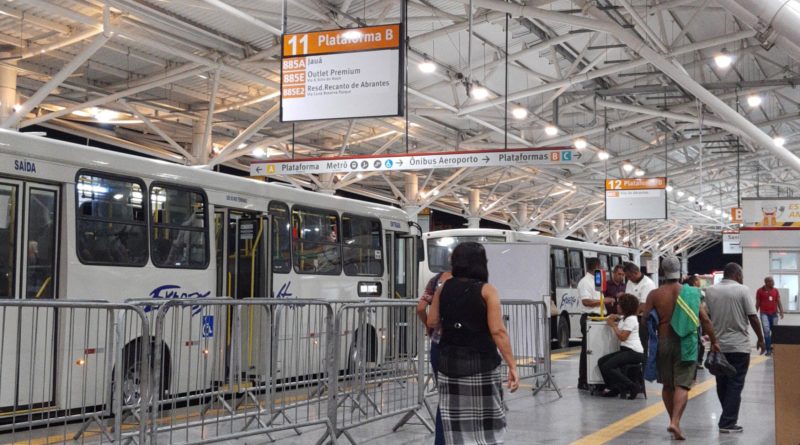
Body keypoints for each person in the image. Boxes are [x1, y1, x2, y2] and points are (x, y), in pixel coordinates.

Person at [428, 242, 519, 444]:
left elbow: (432, 321)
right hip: (481, 365)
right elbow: (498, 331)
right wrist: (512, 364)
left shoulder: (443, 288)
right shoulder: (487, 291)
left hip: (449, 364)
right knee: (486, 425)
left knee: (456, 425)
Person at [641, 256, 719, 441]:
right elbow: (705, 319)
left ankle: (673, 420)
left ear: (662, 271)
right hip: (686, 343)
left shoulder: (654, 294)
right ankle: (675, 422)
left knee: (668, 385)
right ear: (680, 272)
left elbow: (644, 321)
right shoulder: (690, 292)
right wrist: (714, 341)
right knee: (682, 384)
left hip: (664, 341)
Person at [704, 263, 766, 434]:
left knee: (722, 382)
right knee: (735, 383)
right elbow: (753, 317)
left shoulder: (710, 291)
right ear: (737, 274)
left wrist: (709, 337)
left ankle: (727, 416)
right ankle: (728, 422)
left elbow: (706, 318)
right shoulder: (742, 290)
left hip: (718, 346)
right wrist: (761, 339)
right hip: (739, 346)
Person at [416, 269, 451, 445]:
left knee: (444, 398)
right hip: (464, 349)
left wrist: (431, 330)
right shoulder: (471, 282)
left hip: (439, 346)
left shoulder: (437, 280)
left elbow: (421, 308)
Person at [598, 293, 645, 399]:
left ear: (625, 307)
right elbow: (621, 318)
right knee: (601, 362)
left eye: (619, 305)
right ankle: (613, 387)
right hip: (626, 350)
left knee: (608, 366)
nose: (617, 306)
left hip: (634, 352)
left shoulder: (631, 319)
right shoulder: (625, 317)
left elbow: (623, 337)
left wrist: (613, 325)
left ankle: (632, 386)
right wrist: (616, 317)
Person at [577, 257, 603, 390]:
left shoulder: (596, 281)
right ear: (597, 266)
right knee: (587, 350)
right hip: (589, 318)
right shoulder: (585, 282)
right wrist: (603, 302)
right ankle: (583, 380)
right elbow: (586, 301)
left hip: (598, 318)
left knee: (594, 350)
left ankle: (592, 379)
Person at [755, 276, 784, 355]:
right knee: (766, 331)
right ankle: (768, 349)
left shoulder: (775, 291)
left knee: (774, 331)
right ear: (766, 282)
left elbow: (778, 301)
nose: (773, 282)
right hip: (764, 314)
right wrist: (754, 313)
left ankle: (772, 347)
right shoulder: (759, 291)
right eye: (771, 281)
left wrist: (781, 311)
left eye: (773, 281)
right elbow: (757, 303)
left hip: (774, 314)